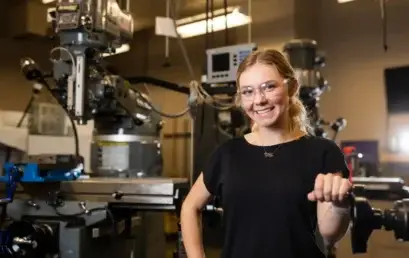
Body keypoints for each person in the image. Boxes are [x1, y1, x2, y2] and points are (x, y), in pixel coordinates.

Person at [180, 49, 352, 258]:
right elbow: (190, 206)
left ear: (291, 87)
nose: (259, 100)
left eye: (269, 87)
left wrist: (340, 205)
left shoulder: (323, 152)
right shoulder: (227, 154)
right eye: (248, 92)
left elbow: (329, 234)